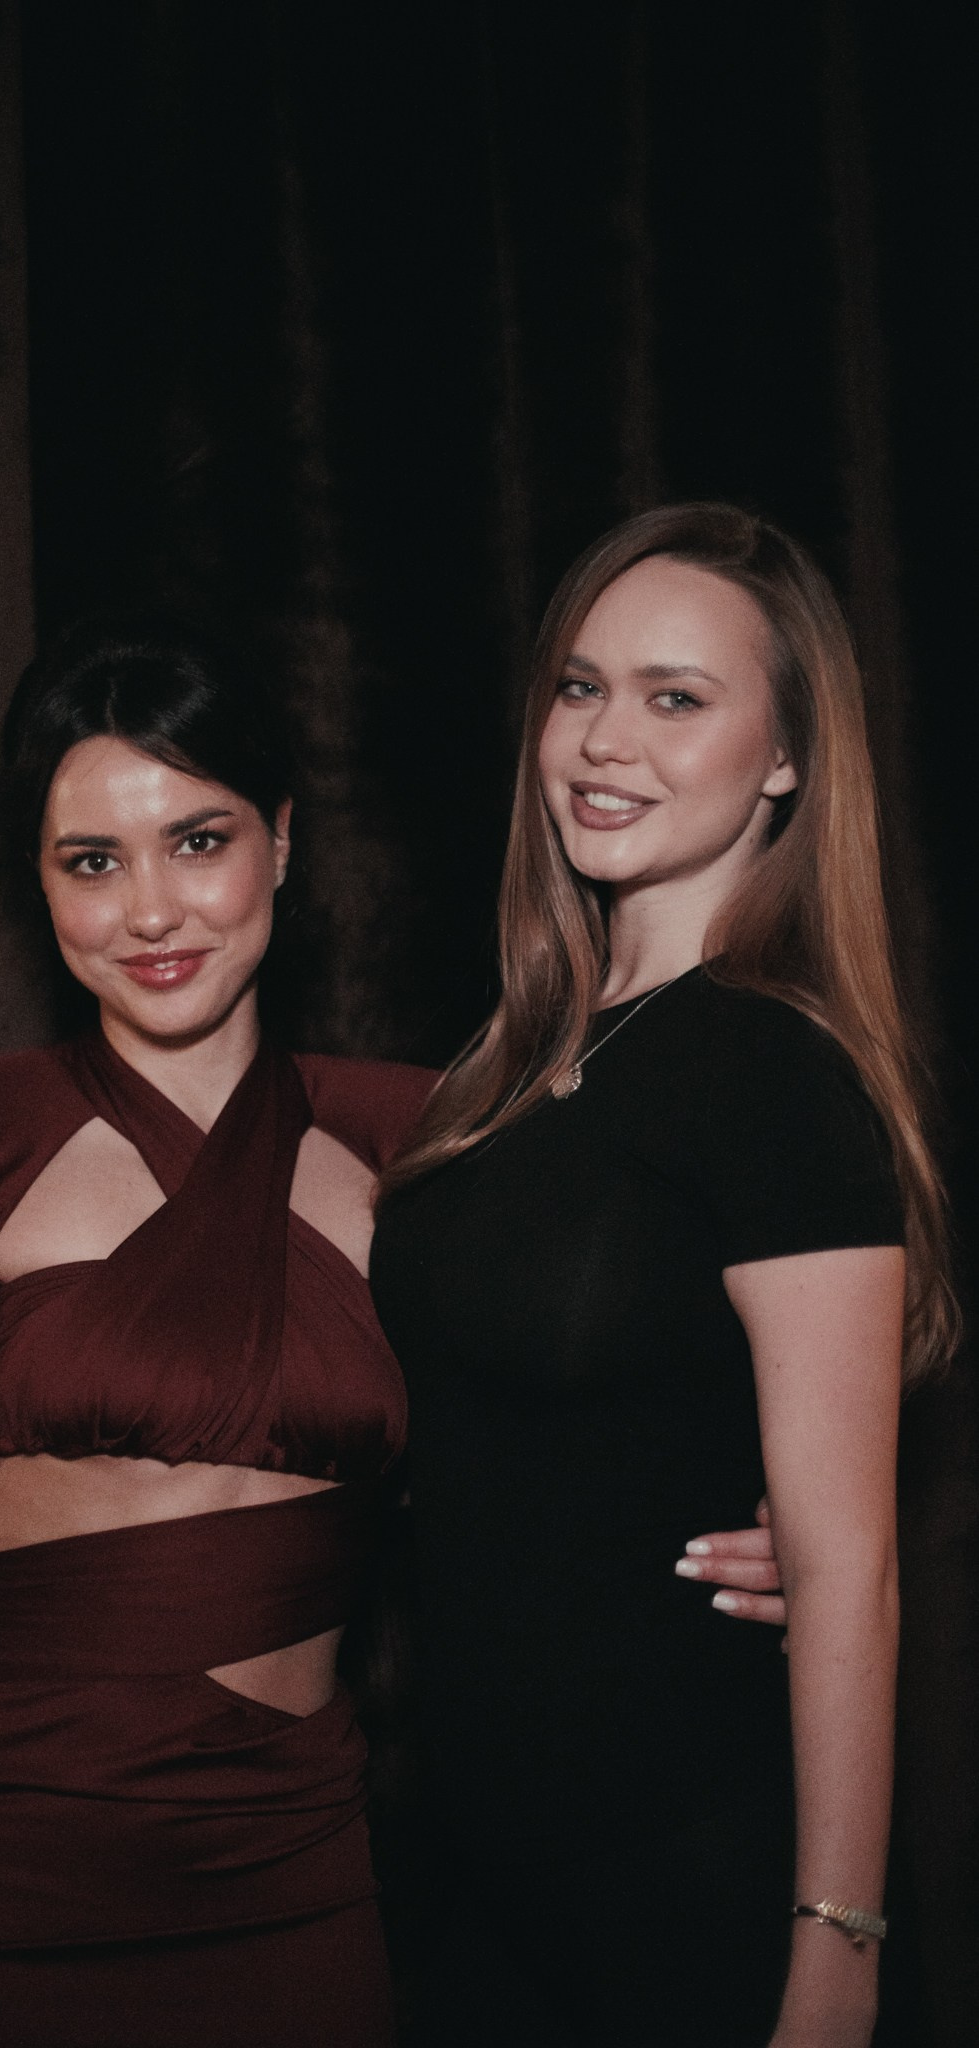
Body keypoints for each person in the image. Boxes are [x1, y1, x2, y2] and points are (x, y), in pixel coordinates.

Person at [0, 615, 784, 2048]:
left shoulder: (429, 1133)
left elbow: (556, 1449)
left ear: (281, 842)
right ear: (37, 880)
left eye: (199, 840)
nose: (152, 912)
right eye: (91, 862)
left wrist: (756, 1529)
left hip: (287, 1869)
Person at [369, 503, 958, 2047]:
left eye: (673, 698)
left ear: (785, 758)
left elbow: (846, 1569)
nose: (601, 741)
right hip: (481, 1891)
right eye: (579, 686)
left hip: (687, 1882)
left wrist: (834, 1957)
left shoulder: (775, 1077)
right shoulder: (511, 1068)